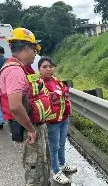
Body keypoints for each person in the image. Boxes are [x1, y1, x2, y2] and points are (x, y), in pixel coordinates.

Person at [0, 28, 52, 186]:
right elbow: (15, 106)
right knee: (34, 170)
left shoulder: (19, 67)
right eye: (34, 50)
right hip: (26, 128)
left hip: (30, 124)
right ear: (27, 48)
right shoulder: (15, 71)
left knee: (41, 165)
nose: (35, 54)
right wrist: (31, 129)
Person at [38, 56, 77, 184]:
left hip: (64, 118)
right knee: (54, 147)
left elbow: (64, 97)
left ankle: (62, 163)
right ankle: (55, 172)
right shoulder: (39, 84)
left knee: (61, 144)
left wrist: (69, 109)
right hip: (52, 122)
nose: (48, 69)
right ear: (39, 69)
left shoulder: (56, 81)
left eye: (50, 66)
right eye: (45, 67)